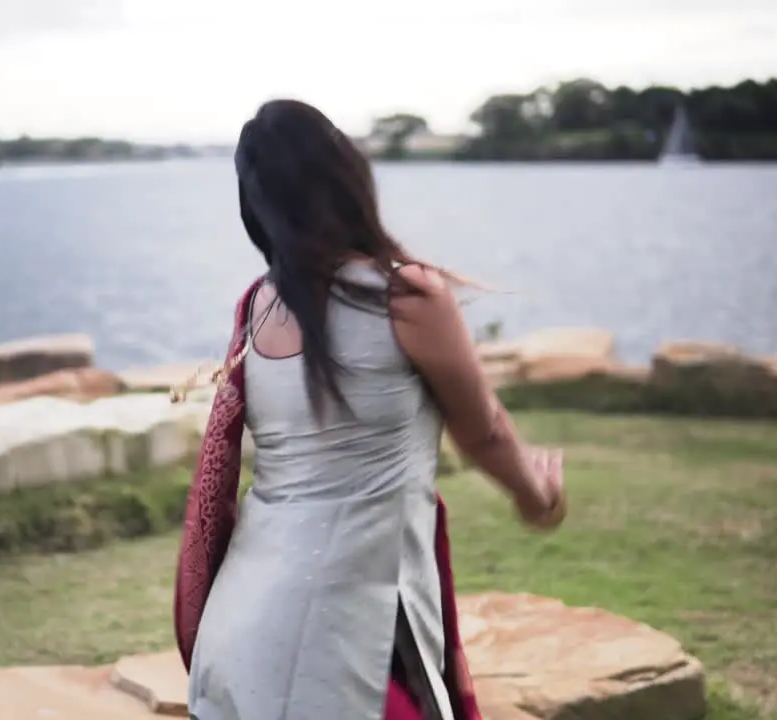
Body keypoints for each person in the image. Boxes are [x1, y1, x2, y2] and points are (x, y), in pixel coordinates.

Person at [173, 99, 566, 720]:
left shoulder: (258, 306)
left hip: (243, 624)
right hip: (346, 636)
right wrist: (537, 495)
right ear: (347, 179)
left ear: (257, 202)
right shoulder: (404, 297)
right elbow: (484, 430)